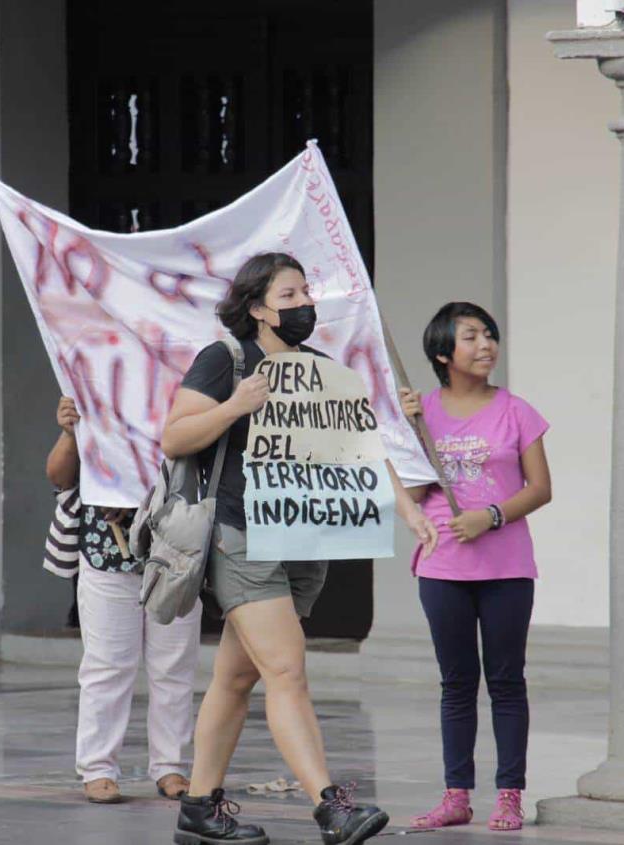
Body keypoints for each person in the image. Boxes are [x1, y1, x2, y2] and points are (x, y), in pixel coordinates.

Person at [163, 252, 438, 845]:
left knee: (237, 680)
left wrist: (408, 508)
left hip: (304, 538)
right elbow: (175, 435)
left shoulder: (321, 370)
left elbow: (361, 448)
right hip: (243, 535)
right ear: (257, 309)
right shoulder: (226, 360)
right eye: (289, 296)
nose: (305, 304)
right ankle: (332, 807)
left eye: (307, 293)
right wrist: (236, 405)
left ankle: (199, 808)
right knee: (287, 670)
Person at [398, 302, 552, 833]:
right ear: (444, 352)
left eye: (489, 335)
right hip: (443, 566)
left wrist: (490, 516)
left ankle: (509, 794)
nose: (485, 345)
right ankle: (456, 795)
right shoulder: (423, 412)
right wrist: (406, 432)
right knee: (456, 683)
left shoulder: (516, 411)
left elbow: (540, 489)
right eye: (470, 337)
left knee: (507, 681)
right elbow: (414, 492)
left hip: (507, 566)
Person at [46, 396, 202, 804]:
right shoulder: (95, 399)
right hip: (107, 556)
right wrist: (68, 432)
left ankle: (171, 766)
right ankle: (98, 767)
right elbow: (59, 477)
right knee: (107, 665)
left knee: (174, 666)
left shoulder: (187, 401)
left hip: (174, 556)